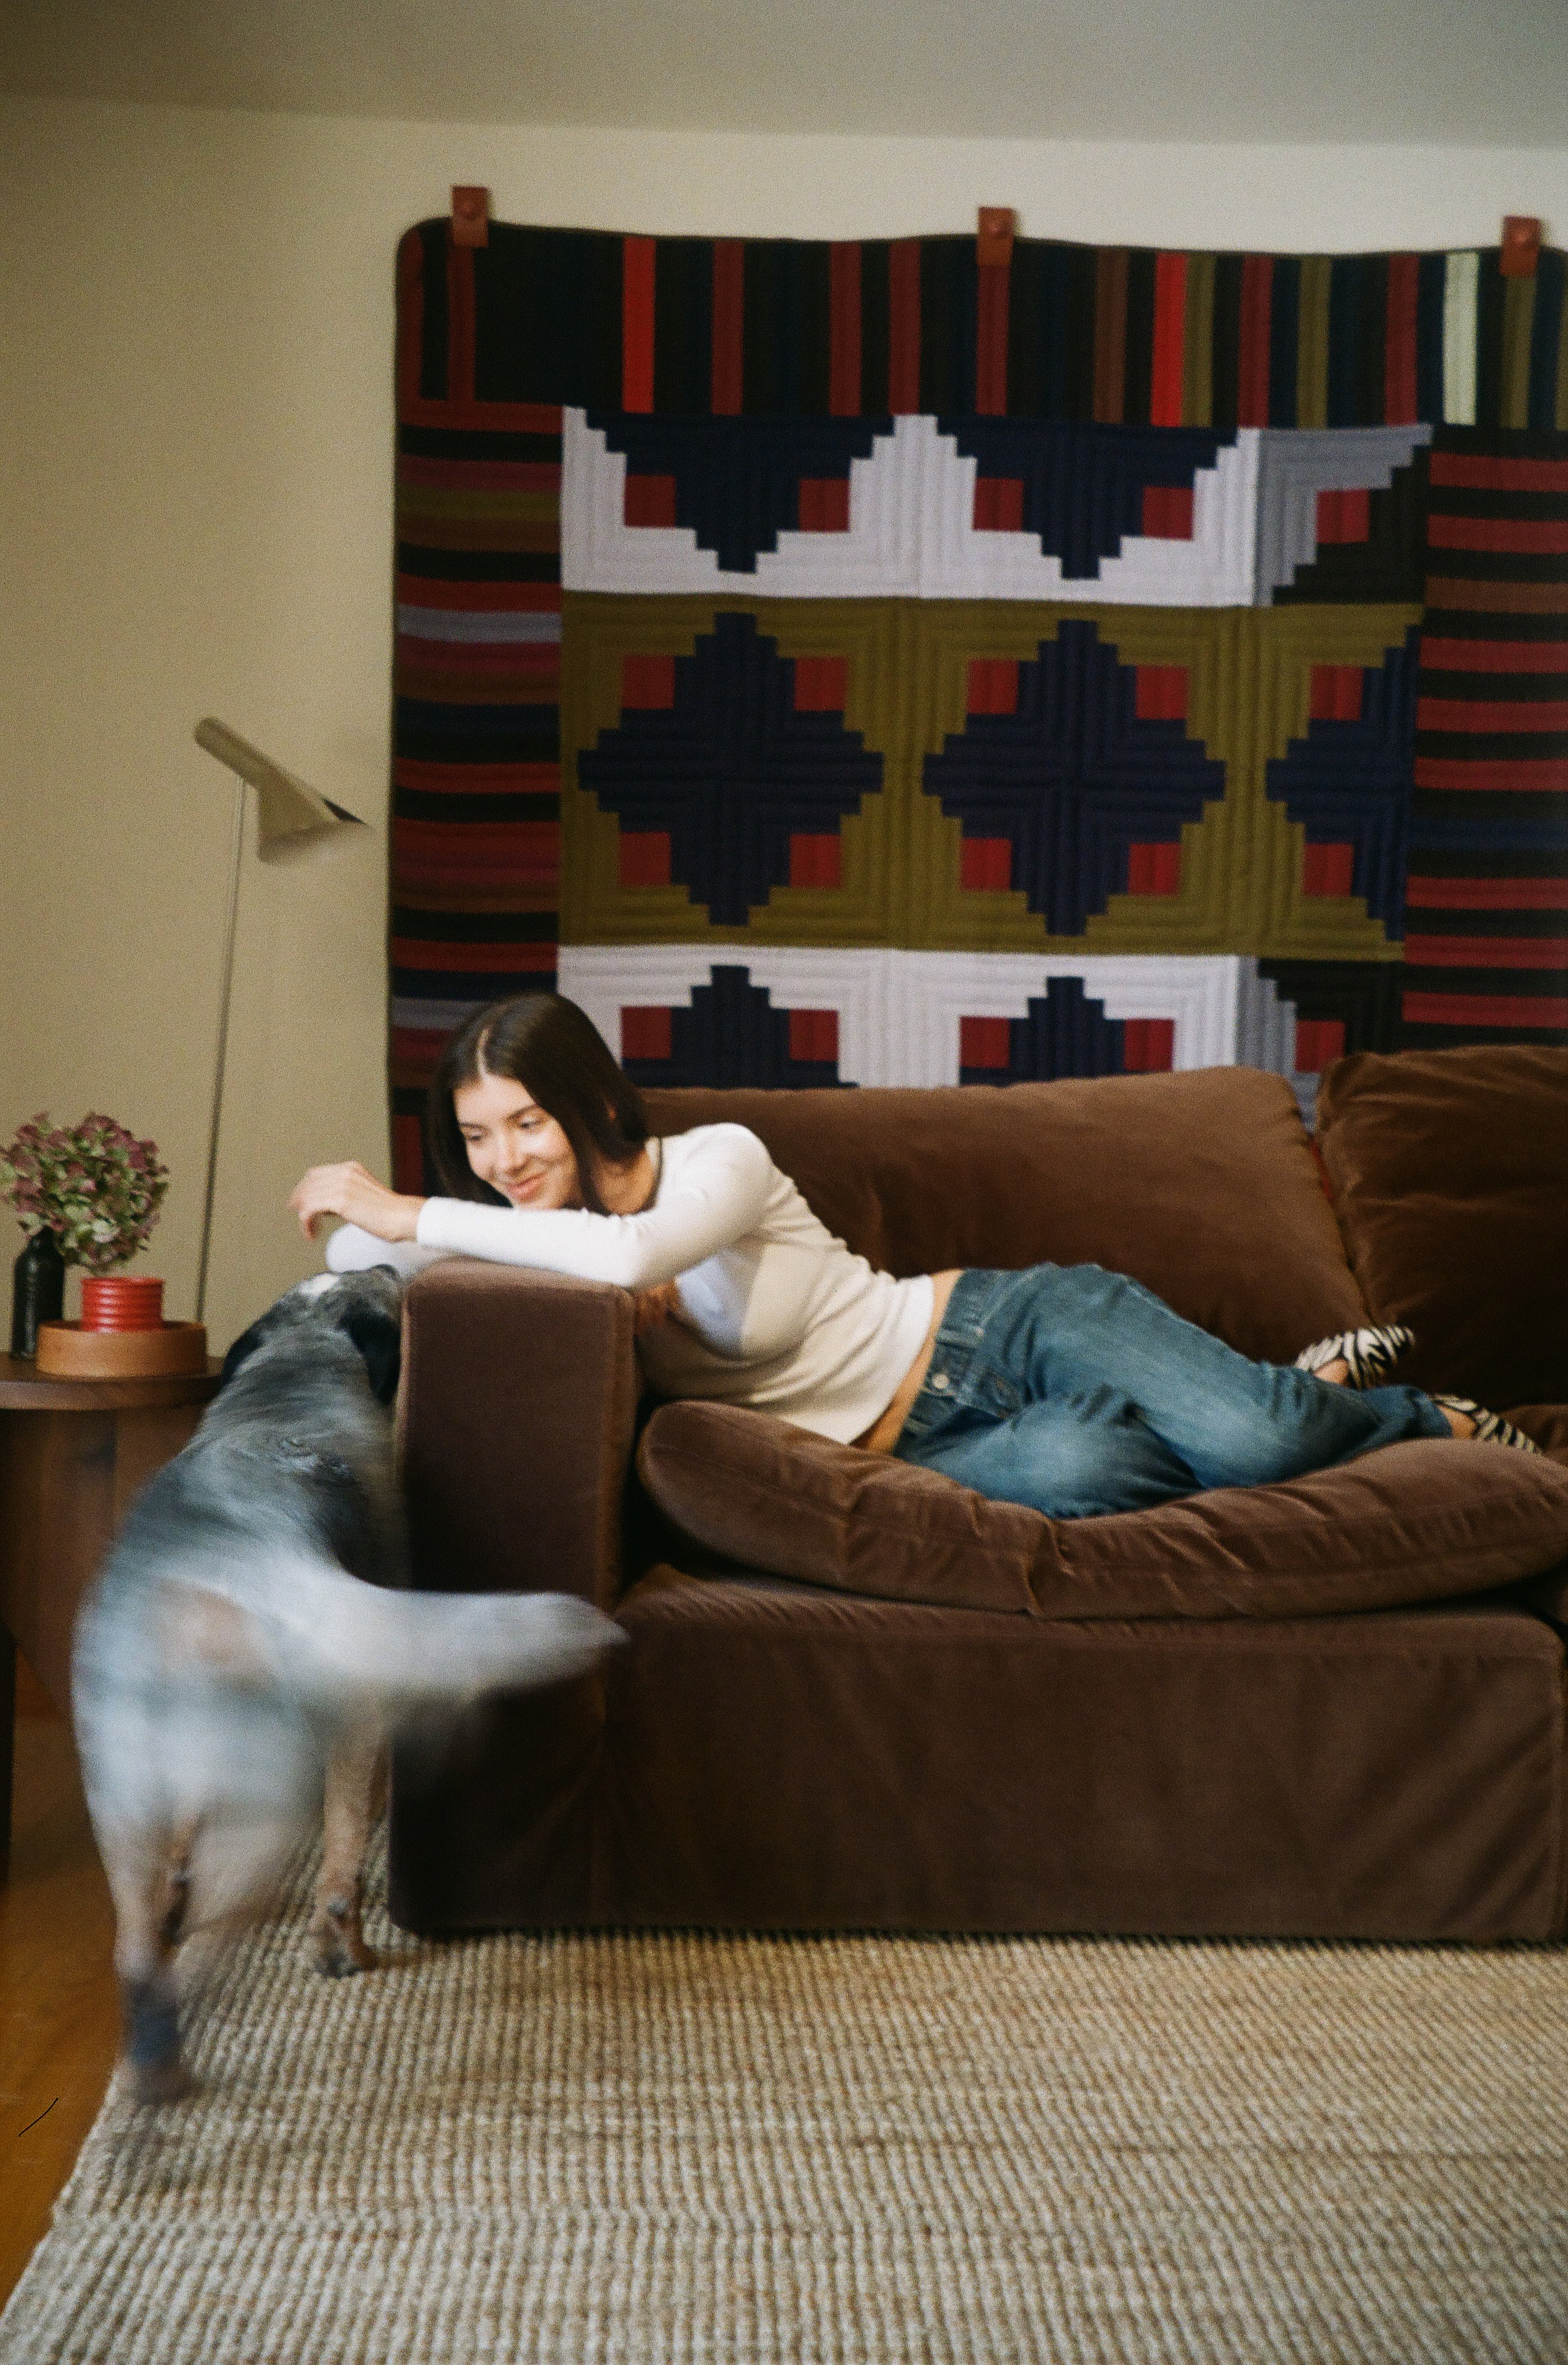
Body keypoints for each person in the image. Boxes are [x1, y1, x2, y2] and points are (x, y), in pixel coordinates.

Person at [289, 993, 1538, 1523]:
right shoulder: (545, 1246)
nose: (504, 1161)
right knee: (1097, 1476)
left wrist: (405, 1208)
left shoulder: (715, 1162)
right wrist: (380, 1223)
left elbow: (633, 1254)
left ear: (590, 1100)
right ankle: (1299, 1394)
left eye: (527, 1123)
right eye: (475, 1139)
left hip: (1000, 1332)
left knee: (1260, 1449)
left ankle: (1407, 1413)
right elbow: (358, 1251)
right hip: (920, 1449)